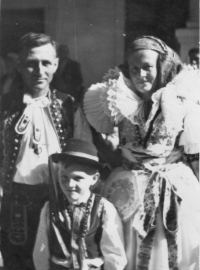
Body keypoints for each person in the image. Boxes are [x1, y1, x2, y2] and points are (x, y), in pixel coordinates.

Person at [84, 36, 200, 270]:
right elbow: (108, 140)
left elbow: (194, 150)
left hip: (173, 185)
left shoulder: (180, 101)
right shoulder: (118, 98)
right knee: (124, 248)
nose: (140, 75)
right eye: (134, 68)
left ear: (161, 66)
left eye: (147, 67)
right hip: (128, 186)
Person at [0, 32, 92, 270]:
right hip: (16, 204)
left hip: (58, 202)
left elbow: (84, 158)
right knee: (17, 262)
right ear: (19, 66)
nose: (39, 71)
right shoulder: (5, 107)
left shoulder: (68, 106)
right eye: (31, 63)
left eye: (46, 63)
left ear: (56, 64)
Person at [33, 138, 127, 270]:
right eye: (64, 177)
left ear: (94, 179)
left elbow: (115, 255)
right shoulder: (50, 208)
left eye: (78, 178)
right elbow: (41, 252)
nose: (70, 184)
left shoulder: (104, 209)